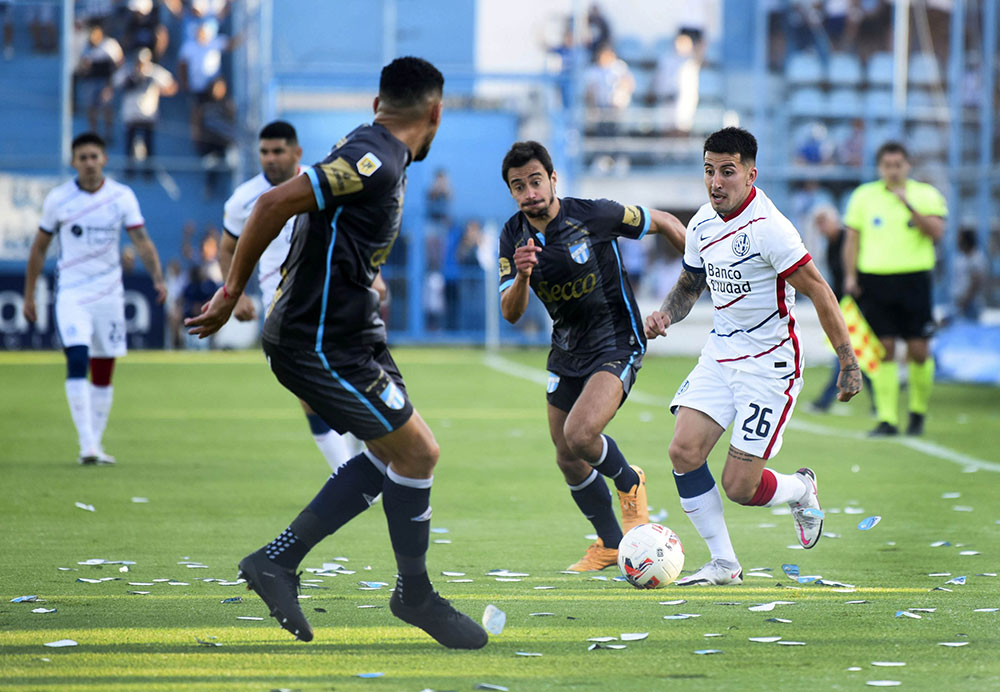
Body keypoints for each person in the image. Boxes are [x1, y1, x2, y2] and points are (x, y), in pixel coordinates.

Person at [185, 57, 487, 650]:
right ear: (435, 112)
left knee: (393, 454)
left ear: (379, 105)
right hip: (317, 339)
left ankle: (280, 561)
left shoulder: (367, 144)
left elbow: (326, 225)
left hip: (351, 334)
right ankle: (413, 594)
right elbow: (271, 206)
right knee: (419, 451)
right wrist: (231, 292)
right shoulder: (375, 158)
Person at [644, 127, 861, 586]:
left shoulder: (771, 230)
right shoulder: (702, 223)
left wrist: (848, 360)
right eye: (709, 171)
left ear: (750, 174)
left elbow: (820, 291)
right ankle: (724, 563)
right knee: (683, 450)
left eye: (727, 172)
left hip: (770, 365)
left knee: (740, 486)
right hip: (721, 354)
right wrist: (665, 314)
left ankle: (801, 488)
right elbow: (690, 284)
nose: (716, 182)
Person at [498, 140, 687, 572]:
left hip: (616, 340)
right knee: (567, 454)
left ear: (552, 179)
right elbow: (511, 313)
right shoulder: (512, 236)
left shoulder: (593, 214)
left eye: (535, 181)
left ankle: (630, 481)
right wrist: (523, 274)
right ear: (511, 192)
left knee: (582, 434)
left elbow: (666, 222)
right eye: (518, 186)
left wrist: (696, 279)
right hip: (566, 350)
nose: (529, 192)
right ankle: (609, 543)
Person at [220, 120, 373, 471]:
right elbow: (227, 250)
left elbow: (354, 236)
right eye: (264, 152)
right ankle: (346, 472)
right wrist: (236, 292)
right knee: (308, 390)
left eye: (278, 151)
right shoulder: (243, 200)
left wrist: (370, 275)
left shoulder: (322, 185)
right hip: (284, 305)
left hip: (334, 297)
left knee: (354, 380)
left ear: (297, 152)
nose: (270, 158)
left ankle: (366, 462)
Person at [23, 132, 167, 465]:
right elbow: (40, 247)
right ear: (73, 161)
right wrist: (30, 295)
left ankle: (96, 444)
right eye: (82, 157)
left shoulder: (121, 196)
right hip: (72, 292)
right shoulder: (59, 199)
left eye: (94, 157)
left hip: (110, 295)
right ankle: (86, 444)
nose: (89, 163)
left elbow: (142, 240)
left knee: (104, 370)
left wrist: (157, 278)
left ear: (104, 159)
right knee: (77, 357)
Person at [843, 141, 947, 437]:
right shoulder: (864, 197)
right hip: (875, 281)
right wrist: (850, 275)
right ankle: (887, 419)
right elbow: (852, 240)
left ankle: (917, 412)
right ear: (880, 167)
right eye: (887, 165)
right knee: (883, 349)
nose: (893, 170)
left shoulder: (925, 195)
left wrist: (908, 205)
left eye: (898, 165)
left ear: (907, 166)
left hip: (914, 280)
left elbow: (937, 232)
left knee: (918, 350)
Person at [113, 47, 178, 176]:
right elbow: (114, 83)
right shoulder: (127, 71)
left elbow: (173, 86)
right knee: (129, 144)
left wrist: (159, 90)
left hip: (148, 115)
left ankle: (148, 171)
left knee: (149, 144)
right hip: (130, 115)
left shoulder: (154, 72)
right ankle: (129, 170)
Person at [947, 229, 987, 324]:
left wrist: (965, 301)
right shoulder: (960, 257)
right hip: (959, 302)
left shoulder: (976, 258)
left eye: (960, 239)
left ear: (966, 241)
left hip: (970, 304)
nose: (957, 242)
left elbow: (976, 282)